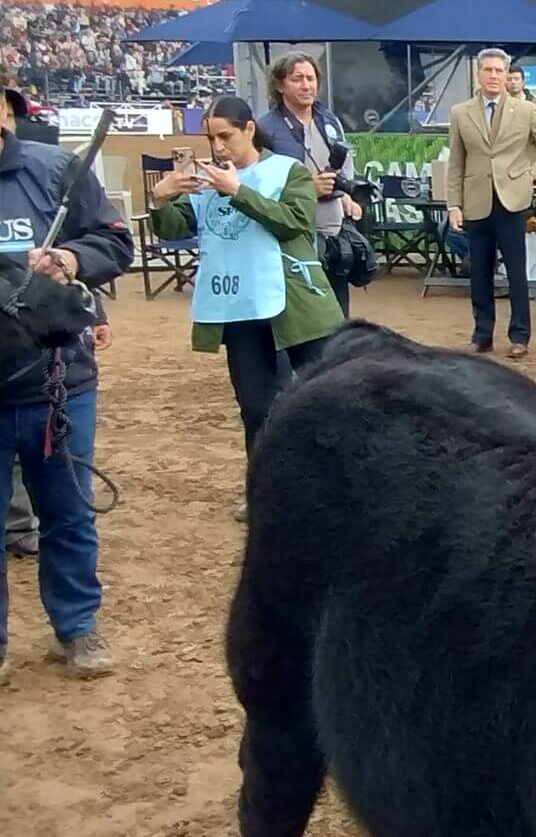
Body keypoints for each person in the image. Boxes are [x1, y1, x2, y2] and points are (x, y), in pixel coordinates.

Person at [148, 97, 343, 521]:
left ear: (249, 130)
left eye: (226, 136)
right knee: (256, 406)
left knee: (325, 399)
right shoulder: (205, 180)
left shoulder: (286, 171)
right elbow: (176, 227)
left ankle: (336, 487)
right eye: (211, 138)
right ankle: (265, 492)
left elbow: (293, 222)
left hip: (296, 304)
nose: (218, 147)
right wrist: (160, 199)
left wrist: (238, 191)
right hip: (238, 305)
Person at [0, 93, 133, 682]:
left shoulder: (56, 171)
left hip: (59, 382)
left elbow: (114, 242)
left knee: (69, 514)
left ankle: (77, 627)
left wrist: (73, 260)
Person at [446, 47, 536, 359]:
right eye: (489, 70)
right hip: (475, 201)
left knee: (516, 270)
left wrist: (530, 173)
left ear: (507, 75)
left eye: (499, 71)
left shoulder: (524, 110)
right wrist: (453, 204)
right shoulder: (460, 112)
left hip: (512, 200)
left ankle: (520, 335)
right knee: (479, 270)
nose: (494, 76)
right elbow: (456, 161)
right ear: (478, 74)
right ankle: (482, 334)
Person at [253, 51, 365, 316]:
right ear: (280, 85)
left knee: (338, 313)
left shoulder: (329, 121)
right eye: (297, 79)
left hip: (334, 231)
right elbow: (259, 186)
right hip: (293, 237)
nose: (306, 85)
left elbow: (344, 164)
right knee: (303, 313)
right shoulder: (265, 128)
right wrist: (306, 190)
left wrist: (345, 195)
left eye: (311, 78)